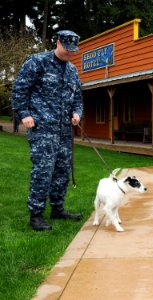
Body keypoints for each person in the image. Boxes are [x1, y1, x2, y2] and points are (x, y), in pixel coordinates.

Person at [12, 30, 83, 231]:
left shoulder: (72, 70)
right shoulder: (37, 62)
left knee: (62, 170)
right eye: (67, 49)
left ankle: (57, 208)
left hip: (64, 131)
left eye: (73, 51)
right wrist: (24, 113)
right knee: (43, 170)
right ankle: (36, 214)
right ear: (58, 42)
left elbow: (78, 97)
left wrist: (77, 113)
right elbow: (20, 89)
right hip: (42, 128)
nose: (70, 53)